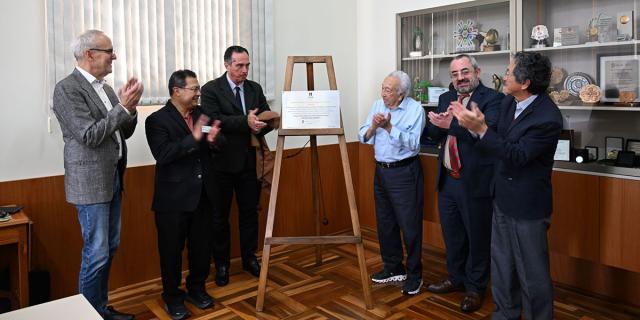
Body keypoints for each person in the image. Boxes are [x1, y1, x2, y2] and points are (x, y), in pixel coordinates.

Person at [450, 51, 562, 320]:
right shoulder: (511, 102)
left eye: (510, 72)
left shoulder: (547, 116)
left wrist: (481, 130)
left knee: (531, 274)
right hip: (501, 198)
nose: (505, 74)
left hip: (527, 207)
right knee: (502, 265)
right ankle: (504, 313)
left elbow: (517, 155)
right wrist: (479, 125)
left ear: (524, 83)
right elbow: (497, 138)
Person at [52, 29, 143, 320]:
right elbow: (90, 136)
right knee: (97, 252)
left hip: (113, 176)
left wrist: (131, 108)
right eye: (109, 51)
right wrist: (122, 107)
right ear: (90, 54)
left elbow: (123, 131)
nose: (114, 56)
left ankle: (100, 309)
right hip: (90, 184)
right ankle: (88, 314)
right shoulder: (67, 88)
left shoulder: (104, 88)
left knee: (109, 248)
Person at [422, 54, 503, 312]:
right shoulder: (446, 98)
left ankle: (475, 288)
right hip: (448, 180)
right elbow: (438, 134)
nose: (461, 78)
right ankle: (456, 278)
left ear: (477, 71)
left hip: (475, 182)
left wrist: (452, 125)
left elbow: (485, 134)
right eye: (455, 74)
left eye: (465, 72)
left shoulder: (494, 99)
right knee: (453, 236)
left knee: (477, 238)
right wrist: (434, 123)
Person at [145, 70, 222, 320]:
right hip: (173, 199)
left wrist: (214, 139)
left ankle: (196, 289)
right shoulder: (157, 120)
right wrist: (195, 138)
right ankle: (172, 298)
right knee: (171, 252)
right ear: (176, 91)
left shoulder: (202, 115)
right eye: (194, 88)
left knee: (201, 249)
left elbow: (216, 146)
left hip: (203, 195)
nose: (199, 93)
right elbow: (164, 154)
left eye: (198, 88)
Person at [200, 45, 272, 286]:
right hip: (221, 163)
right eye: (239, 65)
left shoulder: (255, 88)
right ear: (227, 65)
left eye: (247, 65)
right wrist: (246, 121)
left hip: (250, 162)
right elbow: (212, 120)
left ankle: (249, 257)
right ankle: (221, 264)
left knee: (249, 214)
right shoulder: (211, 89)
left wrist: (264, 123)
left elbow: (265, 114)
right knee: (220, 217)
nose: (244, 70)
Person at [358, 71, 426, 296]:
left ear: (401, 94)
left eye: (389, 90)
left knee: (410, 226)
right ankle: (393, 267)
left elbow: (414, 145)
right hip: (381, 171)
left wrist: (389, 128)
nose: (383, 94)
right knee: (385, 223)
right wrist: (374, 128)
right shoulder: (378, 104)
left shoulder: (415, 110)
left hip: (405, 172)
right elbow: (363, 136)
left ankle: (415, 275)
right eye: (383, 88)